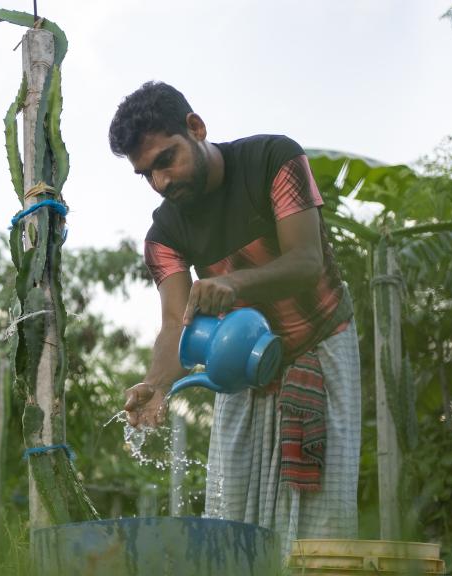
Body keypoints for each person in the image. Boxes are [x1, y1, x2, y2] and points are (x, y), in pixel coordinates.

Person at [109, 81, 360, 547]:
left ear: (196, 128)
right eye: (147, 174)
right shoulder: (164, 233)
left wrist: (232, 283)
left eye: (166, 160)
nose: (161, 181)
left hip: (321, 344)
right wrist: (156, 384)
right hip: (240, 364)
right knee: (233, 517)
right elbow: (174, 324)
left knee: (322, 520)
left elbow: (307, 262)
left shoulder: (273, 161)